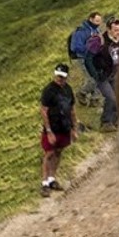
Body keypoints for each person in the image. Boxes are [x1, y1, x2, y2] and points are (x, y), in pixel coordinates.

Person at [41, 64, 77, 197]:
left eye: (62, 76)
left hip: (64, 127)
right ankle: (44, 183)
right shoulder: (48, 90)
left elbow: (72, 109)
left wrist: (74, 128)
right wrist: (49, 130)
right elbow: (44, 111)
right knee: (49, 153)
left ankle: (52, 178)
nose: (59, 78)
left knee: (59, 151)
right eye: (58, 75)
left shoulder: (68, 89)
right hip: (53, 127)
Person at [87, 16, 119, 131]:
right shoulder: (99, 41)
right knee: (111, 98)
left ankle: (114, 122)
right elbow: (88, 59)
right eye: (116, 30)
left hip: (115, 74)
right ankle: (105, 123)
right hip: (102, 76)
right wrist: (95, 74)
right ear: (108, 29)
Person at [69, 11, 104, 105]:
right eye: (96, 21)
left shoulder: (96, 31)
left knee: (98, 76)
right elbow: (74, 47)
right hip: (83, 58)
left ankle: (95, 99)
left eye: (99, 21)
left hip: (94, 58)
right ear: (90, 19)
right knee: (93, 78)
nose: (98, 23)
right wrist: (89, 50)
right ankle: (82, 93)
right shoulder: (81, 31)